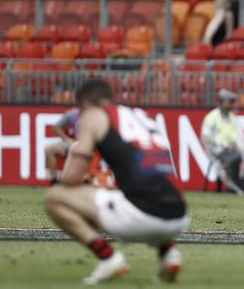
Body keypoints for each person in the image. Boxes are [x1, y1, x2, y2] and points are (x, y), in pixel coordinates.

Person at [44, 79, 190, 284]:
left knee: (55, 197)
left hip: (144, 216)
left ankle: (108, 258)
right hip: (180, 215)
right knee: (134, 192)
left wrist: (72, 160)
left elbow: (71, 180)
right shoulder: (139, 115)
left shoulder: (93, 115)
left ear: (84, 105)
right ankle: (169, 251)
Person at [201, 89, 244, 195]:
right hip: (217, 149)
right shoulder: (211, 117)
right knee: (235, 156)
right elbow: (206, 136)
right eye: (230, 101)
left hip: (231, 148)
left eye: (233, 101)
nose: (232, 104)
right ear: (222, 102)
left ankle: (242, 183)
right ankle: (231, 187)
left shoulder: (232, 118)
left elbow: (238, 136)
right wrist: (222, 144)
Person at [45, 107, 80, 182]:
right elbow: (56, 127)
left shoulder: (95, 114)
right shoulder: (73, 114)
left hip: (90, 145)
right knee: (49, 149)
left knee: (73, 149)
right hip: (75, 143)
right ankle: (54, 181)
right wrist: (68, 140)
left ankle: (65, 181)